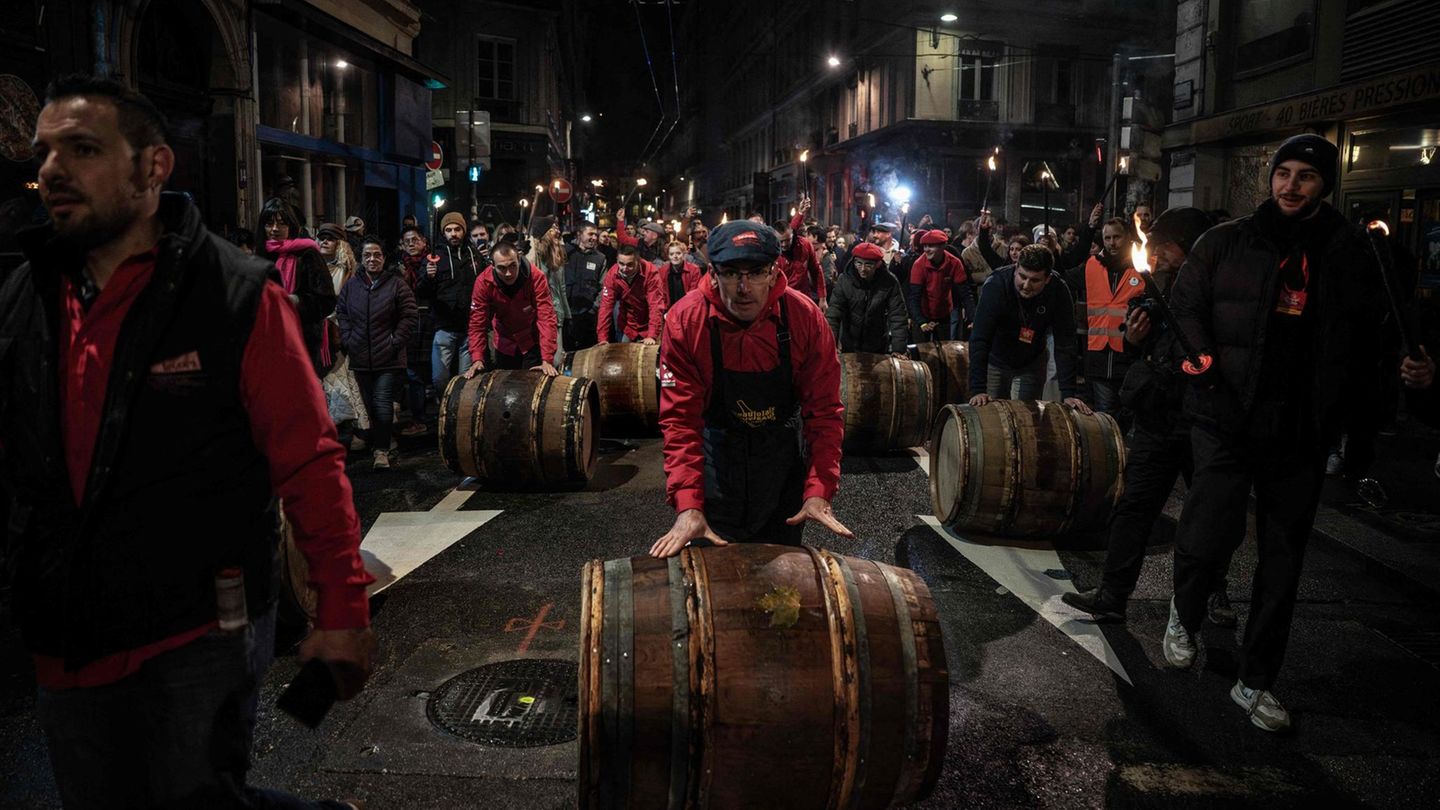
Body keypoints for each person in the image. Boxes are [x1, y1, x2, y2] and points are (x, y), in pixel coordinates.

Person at [0, 74, 373, 808]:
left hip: (197, 625)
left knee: (194, 798)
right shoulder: (22, 296)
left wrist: (342, 613)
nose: (51, 171)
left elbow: (309, 459)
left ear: (152, 167)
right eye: (45, 152)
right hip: (65, 629)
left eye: (82, 149)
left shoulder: (234, 294)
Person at [1165, 134, 1386, 732]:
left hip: (1301, 430)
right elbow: (1184, 306)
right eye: (1283, 173)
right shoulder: (1226, 240)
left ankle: (1256, 679)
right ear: (1270, 179)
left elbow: (1372, 336)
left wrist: (1399, 380)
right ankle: (1183, 612)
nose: (1291, 185)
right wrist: (1205, 361)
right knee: (1211, 530)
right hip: (1226, 415)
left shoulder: (1348, 252)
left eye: (1306, 177)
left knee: (1283, 562)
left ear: (1324, 186)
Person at [1063, 208, 1235, 623]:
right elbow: (1145, 341)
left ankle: (1216, 593)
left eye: (1165, 246)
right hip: (1160, 416)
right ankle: (1112, 595)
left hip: (1203, 419)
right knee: (1133, 506)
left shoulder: (1220, 287)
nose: (1156, 254)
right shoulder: (1163, 284)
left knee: (1210, 513)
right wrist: (1137, 337)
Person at [650, 220, 852, 556]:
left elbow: (825, 413)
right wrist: (688, 505)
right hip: (717, 462)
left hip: (780, 465)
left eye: (756, 272)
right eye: (731, 272)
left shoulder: (804, 318)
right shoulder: (686, 321)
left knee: (782, 594)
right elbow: (681, 422)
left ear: (774, 272)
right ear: (712, 273)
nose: (744, 287)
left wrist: (818, 489)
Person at [967, 245, 1089, 412]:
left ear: (1047, 279)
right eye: (1022, 277)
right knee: (991, 417)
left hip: (1032, 361)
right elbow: (980, 337)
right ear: (1016, 268)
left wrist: (1068, 392)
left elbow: (1066, 342)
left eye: (1035, 280)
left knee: (1028, 417)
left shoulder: (1058, 290)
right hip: (996, 359)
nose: (1026, 285)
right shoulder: (996, 284)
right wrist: (978, 389)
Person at [337, 237, 418, 469]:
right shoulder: (352, 286)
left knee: (382, 401)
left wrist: (395, 340)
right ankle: (384, 441)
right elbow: (342, 312)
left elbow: (410, 315)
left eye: (377, 255)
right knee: (370, 404)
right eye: (367, 256)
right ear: (361, 259)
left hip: (389, 357)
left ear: (384, 258)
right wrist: (348, 338)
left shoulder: (396, 284)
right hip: (361, 355)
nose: (372, 259)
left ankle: (381, 451)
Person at [1062, 217, 1142, 417]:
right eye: (1107, 238)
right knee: (1106, 415)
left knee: (1129, 414)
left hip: (1130, 355)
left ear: (1128, 238)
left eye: (1117, 237)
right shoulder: (1091, 265)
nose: (1112, 242)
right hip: (1098, 355)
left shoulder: (1142, 267)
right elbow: (1064, 272)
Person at [257, 197, 336, 378]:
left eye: (282, 224)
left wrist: (295, 301)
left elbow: (327, 300)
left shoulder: (307, 253)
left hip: (301, 342)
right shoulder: (260, 255)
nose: (275, 229)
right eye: (269, 224)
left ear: (291, 225)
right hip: (267, 341)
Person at [463, 241, 559, 376]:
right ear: (492, 265)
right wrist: (477, 358)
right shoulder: (483, 282)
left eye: (513, 266)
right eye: (502, 268)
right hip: (504, 342)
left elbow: (546, 317)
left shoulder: (536, 277)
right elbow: (477, 323)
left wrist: (547, 359)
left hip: (531, 341)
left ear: (519, 259)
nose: (508, 273)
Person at [417, 211, 480, 395]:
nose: (453, 233)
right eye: (449, 230)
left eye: (457, 229)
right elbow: (421, 291)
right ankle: (443, 405)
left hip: (469, 326)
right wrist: (428, 277)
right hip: (444, 326)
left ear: (464, 230)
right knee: (439, 378)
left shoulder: (473, 254)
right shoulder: (434, 256)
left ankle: (459, 413)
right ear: (443, 232)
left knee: (466, 379)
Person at [826, 240, 909, 355]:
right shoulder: (845, 280)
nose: (863, 268)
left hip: (877, 345)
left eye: (868, 264)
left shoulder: (889, 282)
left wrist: (898, 349)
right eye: (858, 263)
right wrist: (831, 345)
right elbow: (834, 313)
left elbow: (898, 316)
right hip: (849, 343)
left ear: (878, 264)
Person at [393, 225, 434, 435]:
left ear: (424, 242)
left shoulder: (432, 261)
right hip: (410, 321)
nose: (411, 244)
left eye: (415, 239)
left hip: (430, 319)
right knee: (413, 373)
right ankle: (419, 419)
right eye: (407, 240)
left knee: (434, 373)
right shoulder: (399, 267)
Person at [907, 230, 967, 342]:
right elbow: (914, 297)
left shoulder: (954, 263)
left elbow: (965, 293)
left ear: (943, 246)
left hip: (943, 313)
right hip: (922, 312)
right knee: (922, 351)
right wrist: (921, 321)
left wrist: (972, 317)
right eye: (925, 246)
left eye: (931, 246)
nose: (926, 250)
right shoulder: (919, 264)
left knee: (944, 350)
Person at [597, 245, 664, 345]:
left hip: (649, 324)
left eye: (630, 264)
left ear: (638, 261)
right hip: (627, 325)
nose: (625, 268)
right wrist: (602, 338)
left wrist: (652, 335)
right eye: (621, 264)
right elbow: (605, 307)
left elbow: (655, 306)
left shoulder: (651, 272)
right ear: (617, 260)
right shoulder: (612, 275)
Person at [527, 215, 570, 364]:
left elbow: (561, 288)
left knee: (556, 360)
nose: (557, 231)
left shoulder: (556, 255)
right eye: (553, 228)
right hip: (539, 315)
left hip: (556, 314)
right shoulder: (533, 255)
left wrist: (567, 314)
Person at [773, 200, 827, 308]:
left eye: (787, 240)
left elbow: (816, 270)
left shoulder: (805, 245)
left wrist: (823, 298)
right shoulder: (771, 253)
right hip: (780, 301)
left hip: (803, 299)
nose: (784, 244)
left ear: (793, 236)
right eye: (781, 241)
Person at [563, 220, 606, 351]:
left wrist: (594, 308)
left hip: (587, 316)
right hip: (567, 314)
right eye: (590, 234)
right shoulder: (565, 252)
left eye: (596, 235)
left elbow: (603, 286)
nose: (594, 238)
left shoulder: (600, 258)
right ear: (579, 234)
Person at [657, 240, 703, 313]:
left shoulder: (694, 270)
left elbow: (693, 295)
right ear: (668, 256)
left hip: (688, 309)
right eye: (671, 254)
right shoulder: (662, 271)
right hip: (669, 310)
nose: (675, 256)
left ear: (684, 254)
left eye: (678, 253)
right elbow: (662, 294)